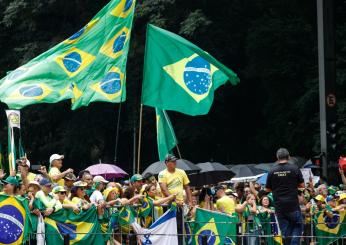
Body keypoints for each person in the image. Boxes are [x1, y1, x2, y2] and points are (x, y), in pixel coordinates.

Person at [265, 148, 305, 245]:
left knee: (285, 231)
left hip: (279, 207)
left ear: (277, 158)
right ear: (289, 157)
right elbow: (302, 186)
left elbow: (267, 189)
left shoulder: (272, 171)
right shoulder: (294, 168)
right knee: (298, 226)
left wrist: (277, 187)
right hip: (293, 205)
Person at [158, 154, 192, 245]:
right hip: (169, 205)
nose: (175, 162)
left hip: (180, 205)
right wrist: (174, 200)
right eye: (172, 161)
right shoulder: (162, 173)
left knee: (180, 227)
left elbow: (187, 187)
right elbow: (164, 189)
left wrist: (190, 202)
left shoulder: (181, 172)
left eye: (175, 160)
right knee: (169, 227)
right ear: (166, 163)